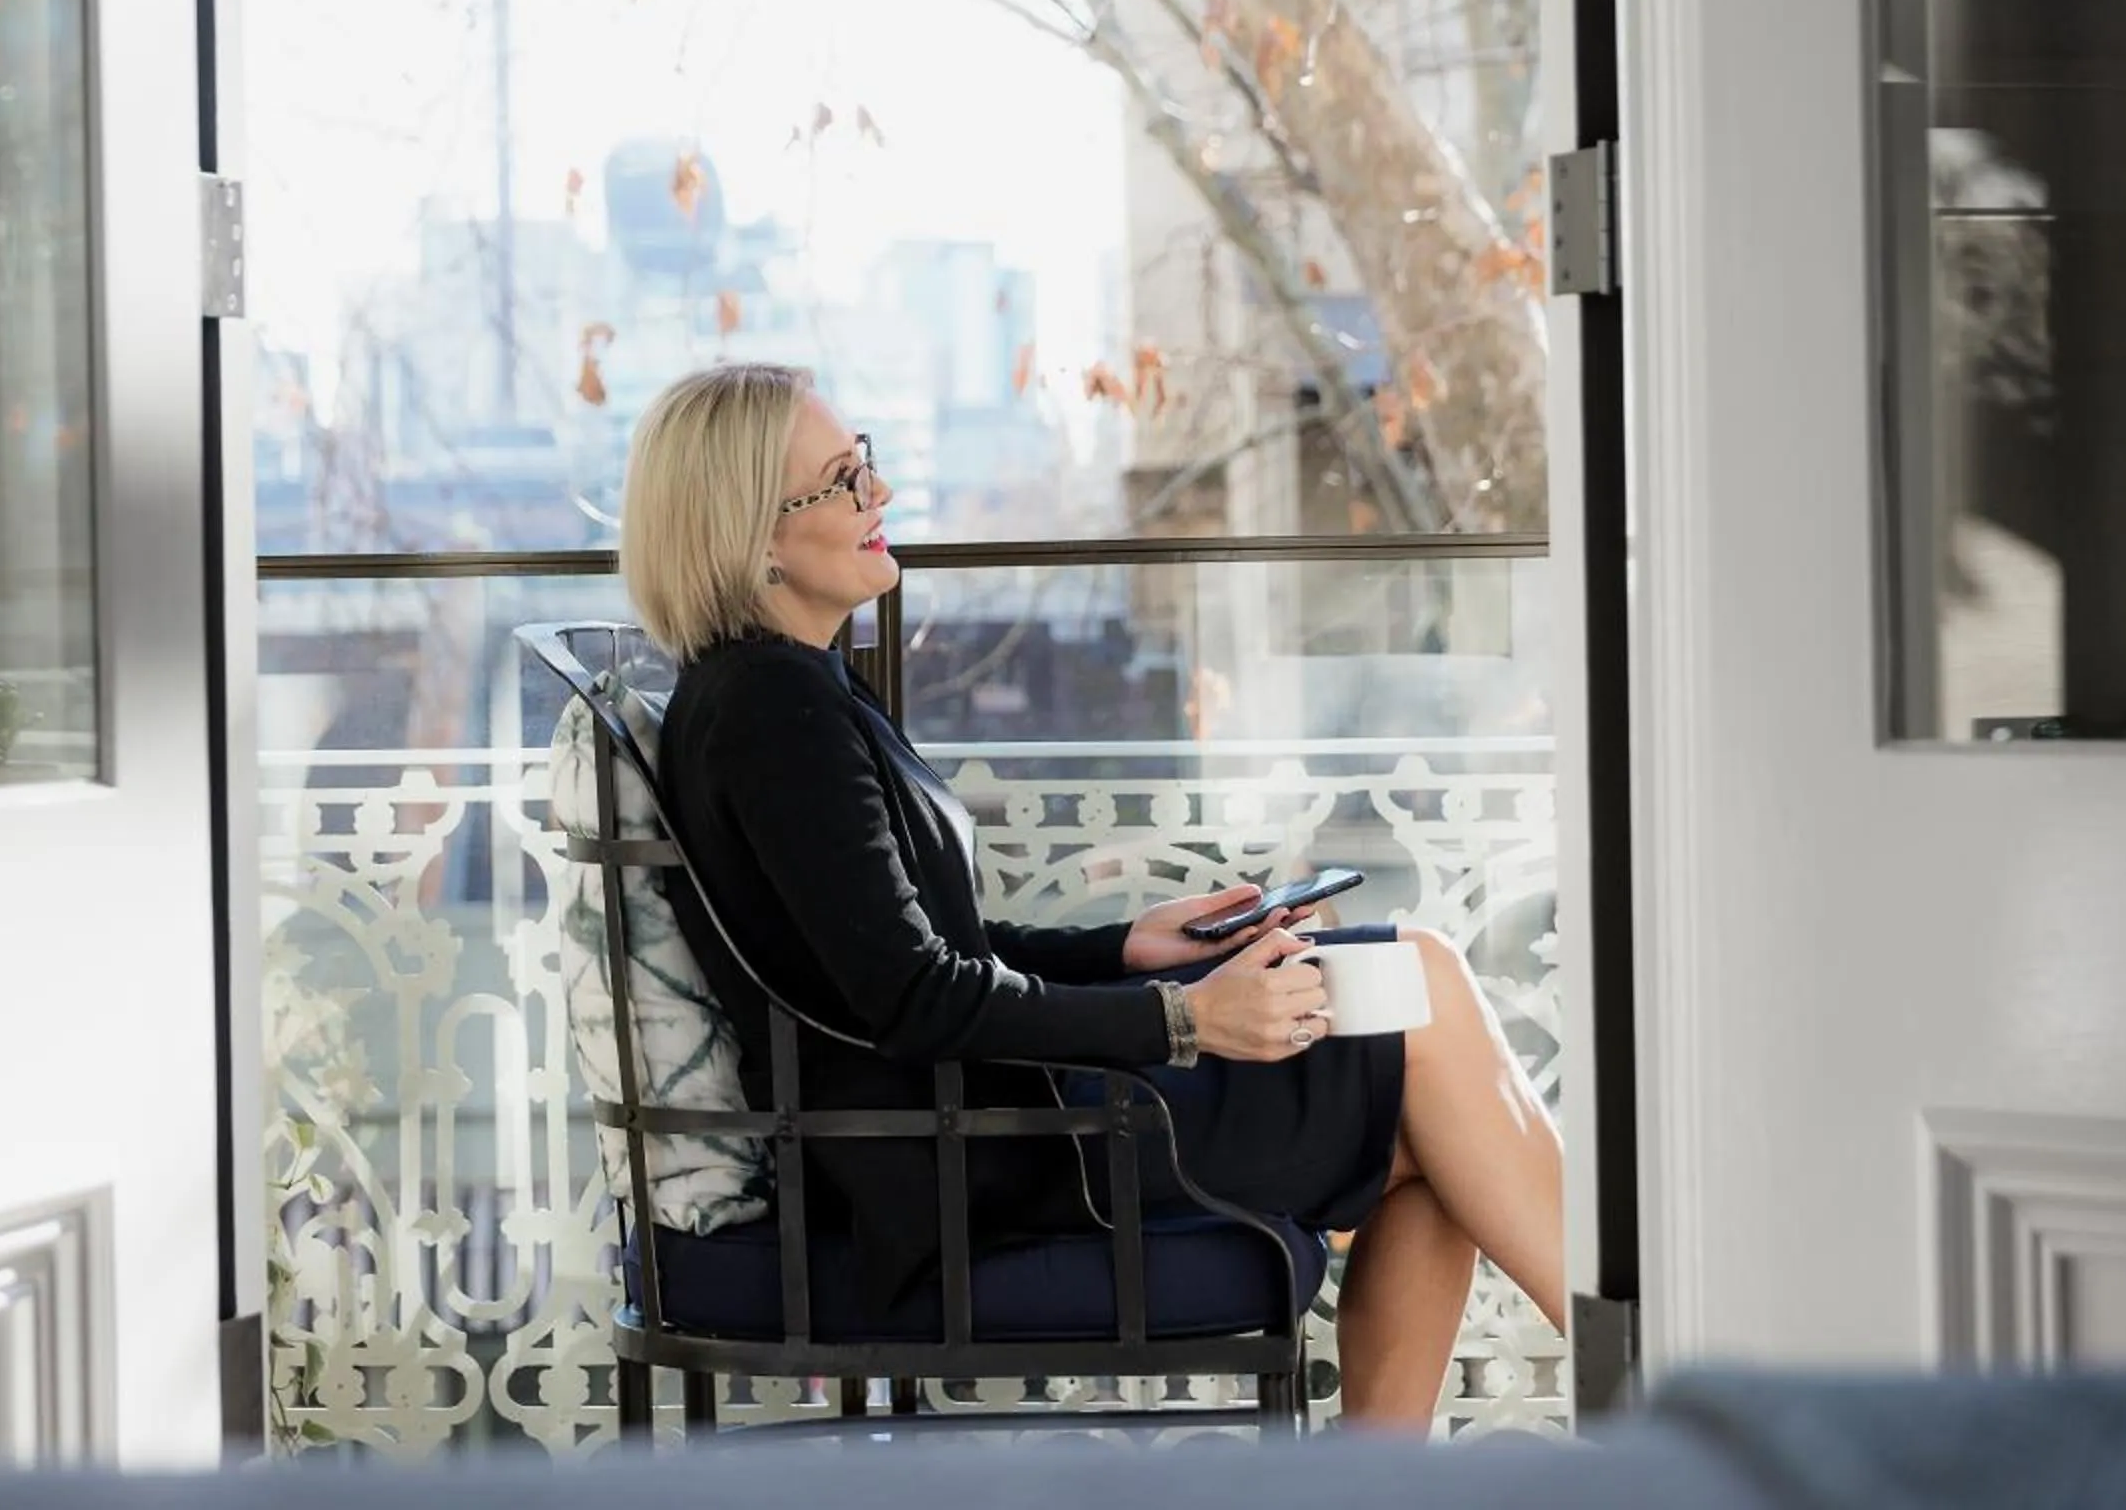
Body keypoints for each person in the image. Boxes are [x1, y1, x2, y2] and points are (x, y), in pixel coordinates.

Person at [617, 362, 1567, 1430]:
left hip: (979, 1115)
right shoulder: (771, 711)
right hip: (976, 1150)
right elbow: (917, 995)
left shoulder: (782, 687)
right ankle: (1661, 1365)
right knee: (1423, 992)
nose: (877, 495)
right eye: (842, 480)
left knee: (1430, 1114)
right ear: (755, 536)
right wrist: (1186, 1018)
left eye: (866, 461)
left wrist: (1130, 947)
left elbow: (928, 946)